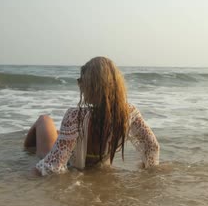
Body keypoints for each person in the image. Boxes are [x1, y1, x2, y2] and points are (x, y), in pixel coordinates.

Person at [24, 56, 160, 176]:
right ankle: (58, 137)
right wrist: (148, 171)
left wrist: (20, 183)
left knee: (44, 119)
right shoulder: (128, 113)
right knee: (60, 133)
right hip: (82, 152)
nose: (79, 85)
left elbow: (51, 166)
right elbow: (152, 146)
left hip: (66, 157)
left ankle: (26, 150)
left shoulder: (75, 116)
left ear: (91, 85)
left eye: (80, 80)